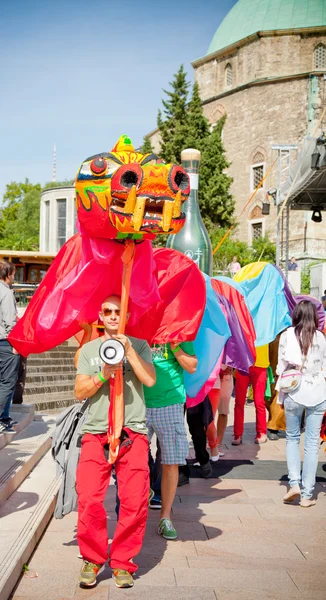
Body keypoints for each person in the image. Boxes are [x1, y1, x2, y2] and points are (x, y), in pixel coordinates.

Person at [75, 295, 156, 589]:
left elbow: (149, 380)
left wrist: (130, 352)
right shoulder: (88, 350)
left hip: (132, 432)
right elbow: (79, 392)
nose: (112, 315)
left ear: (126, 315)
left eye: (117, 311)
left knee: (134, 501)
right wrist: (101, 375)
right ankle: (93, 558)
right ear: (100, 315)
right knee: (88, 499)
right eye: (107, 311)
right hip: (96, 432)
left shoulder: (141, 345)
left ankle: (123, 562)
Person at [144, 341, 197, 540]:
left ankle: (165, 517)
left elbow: (191, 366)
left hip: (171, 402)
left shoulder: (178, 331)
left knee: (170, 462)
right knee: (132, 458)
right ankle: (143, 490)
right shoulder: (138, 325)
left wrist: (174, 346)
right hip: (139, 402)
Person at [276, 300, 326, 508]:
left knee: (292, 439)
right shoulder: (321, 337)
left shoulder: (287, 335)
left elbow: (281, 368)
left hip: (294, 392)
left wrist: (280, 397)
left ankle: (294, 483)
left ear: (296, 315)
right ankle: (307, 494)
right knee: (312, 444)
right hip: (318, 392)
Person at [232, 345, 269, 445]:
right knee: (239, 401)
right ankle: (237, 434)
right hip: (243, 362)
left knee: (259, 401)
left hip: (260, 363)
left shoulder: (266, 329)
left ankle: (261, 432)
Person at [0, 260, 20, 433]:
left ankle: (5, 417)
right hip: (5, 343)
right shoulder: (6, 294)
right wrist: (16, 343)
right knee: (7, 382)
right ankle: (1, 419)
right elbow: (9, 322)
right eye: (13, 273)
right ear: (7, 275)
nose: (14, 276)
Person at [207, 365, 233, 460]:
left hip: (226, 376)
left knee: (223, 411)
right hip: (211, 375)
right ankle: (209, 442)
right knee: (208, 414)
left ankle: (218, 444)